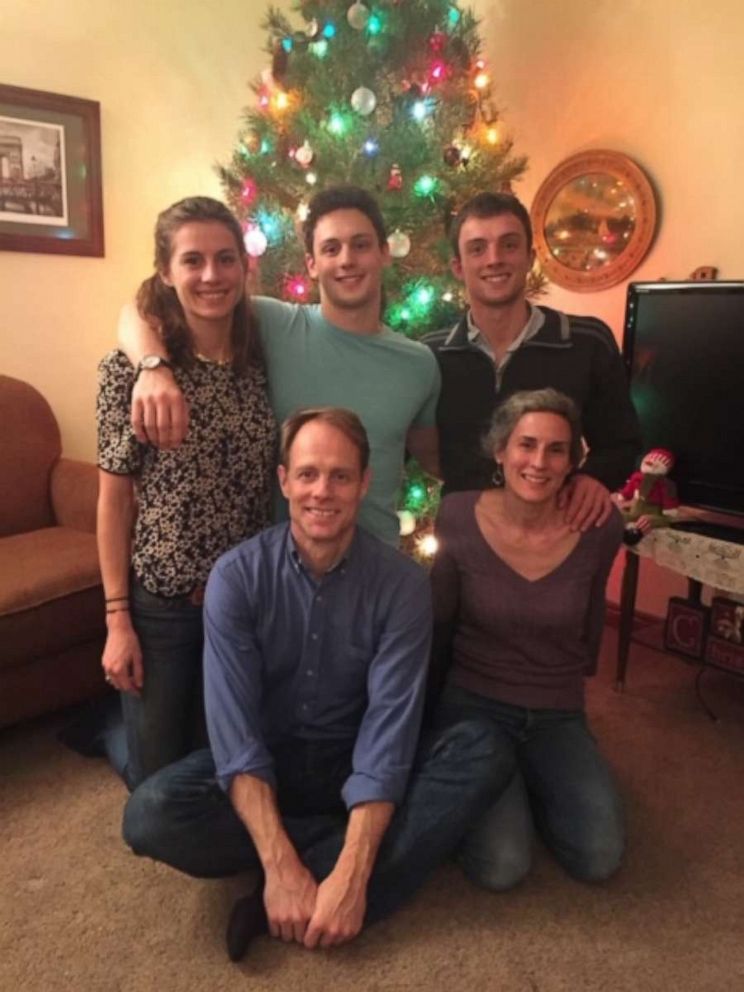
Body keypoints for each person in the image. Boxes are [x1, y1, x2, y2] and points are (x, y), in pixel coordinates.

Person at [122, 408, 512, 960]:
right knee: (150, 814)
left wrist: (352, 873)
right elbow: (235, 739)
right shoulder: (237, 577)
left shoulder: (401, 585)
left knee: (484, 750)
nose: (321, 491)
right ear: (283, 481)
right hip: (268, 762)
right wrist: (283, 865)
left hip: (353, 758)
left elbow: (388, 732)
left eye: (340, 476)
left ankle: (306, 887)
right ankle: (317, 862)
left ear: (365, 483)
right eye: (307, 474)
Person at [117, 185, 441, 547]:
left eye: (361, 245)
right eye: (331, 249)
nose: (346, 260)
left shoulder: (418, 364)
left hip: (374, 575)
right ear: (312, 265)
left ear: (384, 253)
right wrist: (152, 368)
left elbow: (434, 458)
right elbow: (141, 309)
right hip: (280, 576)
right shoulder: (272, 323)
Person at [96, 196, 276, 788]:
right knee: (155, 782)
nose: (210, 275)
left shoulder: (260, 357)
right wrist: (118, 619)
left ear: (243, 269)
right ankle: (108, 731)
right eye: (192, 260)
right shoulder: (131, 371)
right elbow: (114, 500)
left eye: (226, 259)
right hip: (164, 607)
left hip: (240, 605)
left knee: (221, 766)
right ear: (167, 271)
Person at [430, 388, 625, 891]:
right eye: (526, 445)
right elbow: (440, 621)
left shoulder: (600, 527)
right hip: (474, 705)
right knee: (502, 867)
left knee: (600, 856)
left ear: (573, 460)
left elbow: (588, 624)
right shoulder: (456, 515)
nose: (539, 462)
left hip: (556, 711)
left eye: (556, 449)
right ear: (500, 451)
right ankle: (496, 784)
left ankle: (532, 781)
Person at [425, 191, 641, 532]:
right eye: (477, 248)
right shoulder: (430, 356)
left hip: (558, 540)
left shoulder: (587, 343)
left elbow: (623, 443)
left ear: (530, 257)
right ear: (458, 267)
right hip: (464, 544)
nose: (494, 259)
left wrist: (592, 478)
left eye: (508, 245)